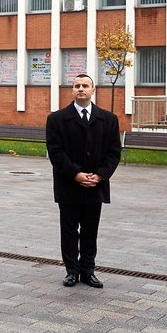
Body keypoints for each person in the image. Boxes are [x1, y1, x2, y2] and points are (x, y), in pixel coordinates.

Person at [45, 73, 121, 289]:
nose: (81, 89)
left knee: (90, 230)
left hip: (95, 185)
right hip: (69, 184)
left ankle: (88, 270)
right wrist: (75, 174)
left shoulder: (108, 119)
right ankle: (71, 271)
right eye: (77, 85)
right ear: (72, 90)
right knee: (68, 230)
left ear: (93, 90)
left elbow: (114, 153)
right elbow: (55, 152)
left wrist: (100, 175)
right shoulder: (57, 119)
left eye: (85, 85)